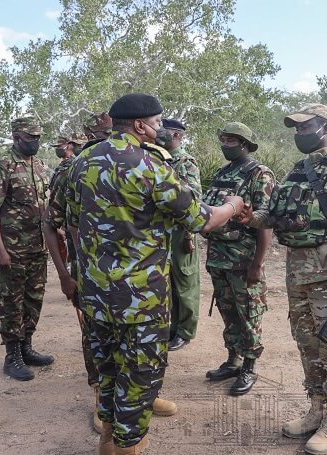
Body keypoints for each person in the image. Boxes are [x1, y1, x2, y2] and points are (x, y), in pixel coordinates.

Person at [65, 93, 244, 455]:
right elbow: (202, 220)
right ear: (140, 125)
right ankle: (128, 447)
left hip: (96, 297)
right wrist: (233, 205)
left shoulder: (81, 161)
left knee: (108, 372)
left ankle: (107, 442)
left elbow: (69, 217)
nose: (161, 129)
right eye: (159, 123)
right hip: (140, 302)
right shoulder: (150, 167)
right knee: (140, 380)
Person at [238, 104, 327, 454]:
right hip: (297, 272)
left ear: (326, 128)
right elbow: (272, 216)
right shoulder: (297, 170)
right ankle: (317, 408)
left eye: (306, 127)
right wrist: (246, 215)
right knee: (307, 343)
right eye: (296, 129)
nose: (299, 134)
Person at [202, 122, 275, 396]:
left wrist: (257, 263)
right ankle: (233, 360)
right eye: (223, 140)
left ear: (244, 143)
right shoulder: (223, 172)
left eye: (231, 141)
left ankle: (249, 366)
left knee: (249, 315)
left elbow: (266, 221)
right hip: (219, 258)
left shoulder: (260, 174)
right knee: (228, 312)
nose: (225, 145)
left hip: (243, 260)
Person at [0, 116, 54, 381]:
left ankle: (26, 348)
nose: (35, 142)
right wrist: (0, 250)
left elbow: (46, 208)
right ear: (16, 137)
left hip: (37, 248)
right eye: (30, 137)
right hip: (11, 250)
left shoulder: (40, 166)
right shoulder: (3, 165)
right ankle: (11, 356)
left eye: (38, 137)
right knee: (10, 302)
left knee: (33, 300)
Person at [44, 130, 103, 432]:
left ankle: (142, 393)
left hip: (135, 278)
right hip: (88, 273)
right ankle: (101, 395)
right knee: (94, 332)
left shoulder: (142, 164)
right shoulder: (72, 170)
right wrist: (64, 275)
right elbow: (51, 224)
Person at [159, 118, 202, 351]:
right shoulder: (159, 158)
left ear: (176, 135)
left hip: (180, 233)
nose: (158, 134)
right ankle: (173, 327)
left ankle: (185, 331)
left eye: (163, 131)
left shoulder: (185, 162)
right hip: (163, 233)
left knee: (185, 283)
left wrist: (187, 234)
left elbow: (194, 198)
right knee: (168, 283)